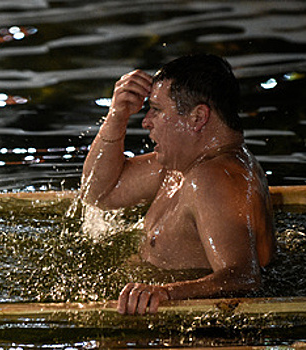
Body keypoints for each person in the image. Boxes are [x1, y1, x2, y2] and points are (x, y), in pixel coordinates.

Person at [81, 54, 275, 315]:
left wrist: (165, 293)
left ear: (197, 118)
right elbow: (99, 193)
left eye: (157, 110)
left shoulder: (215, 178)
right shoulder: (182, 165)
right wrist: (117, 115)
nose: (146, 121)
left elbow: (244, 277)